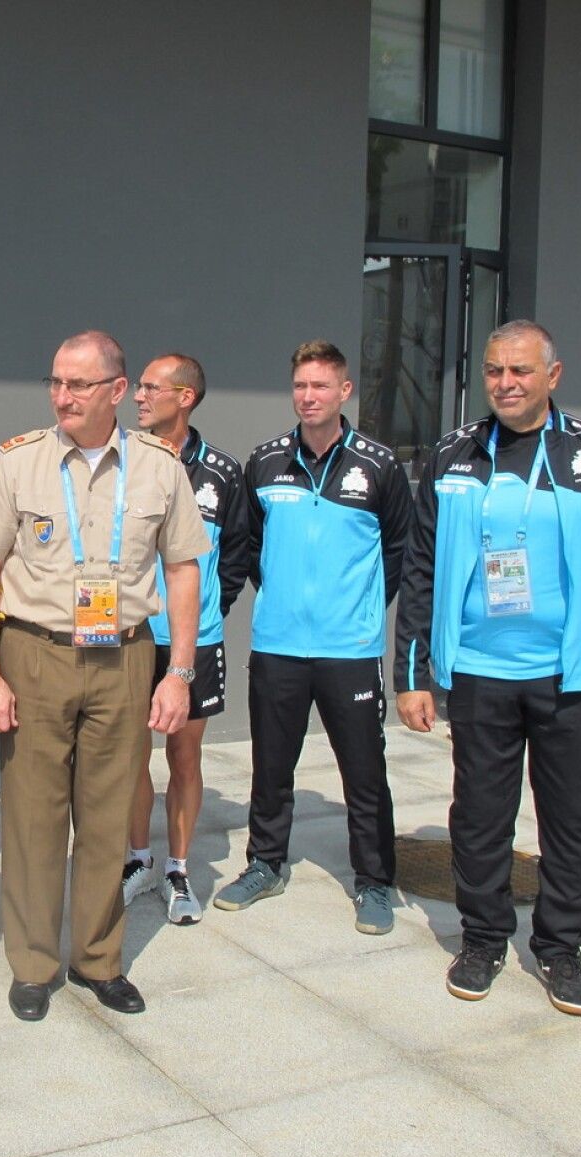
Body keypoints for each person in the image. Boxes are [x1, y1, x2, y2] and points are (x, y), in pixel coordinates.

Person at [394, 319, 581, 1017]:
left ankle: (562, 947)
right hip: (480, 671)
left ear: (552, 375)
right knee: (480, 816)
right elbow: (420, 569)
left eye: (520, 370)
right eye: (494, 371)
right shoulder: (454, 455)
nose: (506, 383)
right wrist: (413, 673)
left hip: (571, 675)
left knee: (573, 819)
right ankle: (483, 939)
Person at [0, 331, 208, 1021]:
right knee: (33, 817)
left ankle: (98, 958)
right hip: (36, 654)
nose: (62, 396)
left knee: (107, 815)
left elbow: (183, 570)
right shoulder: (18, 463)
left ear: (117, 391)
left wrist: (178, 673)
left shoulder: (159, 467)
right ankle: (33, 963)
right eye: (56, 382)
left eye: (78, 384)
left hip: (124, 657)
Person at [212, 341, 410, 935]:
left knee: (364, 772)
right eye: (300, 385)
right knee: (271, 766)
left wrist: (357, 607)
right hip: (278, 646)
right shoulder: (266, 461)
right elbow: (248, 546)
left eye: (320, 385)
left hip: (351, 650)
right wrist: (283, 595)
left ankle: (374, 881)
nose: (308, 396)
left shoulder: (379, 465)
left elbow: (399, 550)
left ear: (345, 391)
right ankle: (265, 864)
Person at [122, 354, 248, 925]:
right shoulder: (123, 458)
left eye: (151, 387)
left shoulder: (222, 472)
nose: (139, 396)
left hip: (192, 643)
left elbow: (240, 552)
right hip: (128, 634)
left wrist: (204, 613)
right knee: (129, 755)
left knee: (184, 754)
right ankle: (139, 859)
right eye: (139, 386)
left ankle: (177, 868)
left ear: (185, 396)